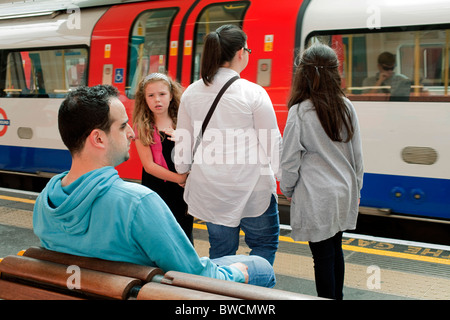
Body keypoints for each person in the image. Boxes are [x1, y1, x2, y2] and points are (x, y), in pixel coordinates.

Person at [32, 85, 276, 288]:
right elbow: (197, 276)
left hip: (94, 290)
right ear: (98, 138)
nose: (131, 134)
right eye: (122, 126)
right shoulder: (137, 203)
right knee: (258, 267)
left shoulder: (45, 202)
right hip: (140, 292)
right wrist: (239, 272)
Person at [174, 24, 282, 266]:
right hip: (253, 186)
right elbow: (271, 141)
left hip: (210, 187)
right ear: (241, 52)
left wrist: (182, 171)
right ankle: (254, 293)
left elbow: (184, 140)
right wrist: (284, 177)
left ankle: (222, 294)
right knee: (263, 245)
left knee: (222, 252)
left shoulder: (191, 92)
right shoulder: (253, 92)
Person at [280, 43, 364, 299]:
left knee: (323, 258)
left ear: (303, 74)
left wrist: (288, 189)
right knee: (335, 250)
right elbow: (357, 155)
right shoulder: (346, 106)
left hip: (317, 195)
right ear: (335, 72)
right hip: (343, 192)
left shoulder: (300, 111)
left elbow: (290, 160)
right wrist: (356, 189)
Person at [133, 73, 193, 242]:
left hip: (182, 192)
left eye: (162, 94)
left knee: (183, 233)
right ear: (144, 99)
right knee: (158, 235)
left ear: (171, 95)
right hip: (156, 189)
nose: (157, 100)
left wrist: (182, 138)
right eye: (151, 96)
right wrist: (180, 178)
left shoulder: (183, 123)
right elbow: (149, 166)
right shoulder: (142, 127)